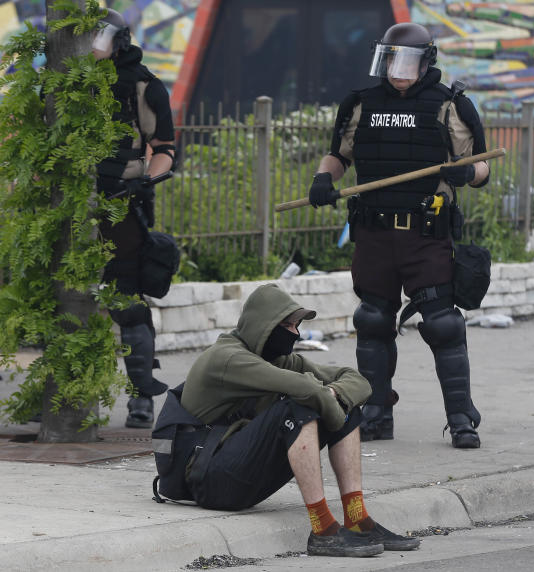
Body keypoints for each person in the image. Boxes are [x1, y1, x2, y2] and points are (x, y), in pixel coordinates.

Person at [307, 22, 490, 447]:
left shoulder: (450, 107)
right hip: (373, 234)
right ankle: (374, 414)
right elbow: (339, 155)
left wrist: (467, 171)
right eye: (391, 60)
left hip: (424, 234)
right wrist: (322, 179)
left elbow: (482, 167)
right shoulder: (361, 105)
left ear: (426, 62)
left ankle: (461, 417)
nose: (398, 70)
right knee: (372, 321)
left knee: (443, 324)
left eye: (407, 61)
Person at [156, 283, 419, 557]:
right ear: (264, 326)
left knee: (343, 402)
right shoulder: (228, 358)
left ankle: (356, 518)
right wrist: (328, 403)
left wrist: (334, 396)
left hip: (240, 473)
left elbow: (358, 381)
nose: (296, 333)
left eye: (297, 325)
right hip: (208, 482)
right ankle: (323, 529)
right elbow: (304, 390)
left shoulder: (277, 358)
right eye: (289, 325)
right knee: (298, 408)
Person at [91, 9, 176, 428]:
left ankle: (141, 396)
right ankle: (61, 398)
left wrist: (148, 180)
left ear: (118, 41)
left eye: (98, 37)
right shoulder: (61, 85)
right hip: (69, 206)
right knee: (62, 300)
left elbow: (164, 147)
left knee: (125, 300)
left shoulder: (142, 86)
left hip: (121, 201)